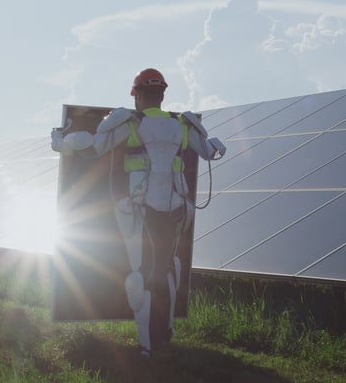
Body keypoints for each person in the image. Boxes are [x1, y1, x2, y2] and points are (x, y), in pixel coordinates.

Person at [51, 68, 226, 357]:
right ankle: (164, 333)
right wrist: (218, 143)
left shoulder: (130, 123)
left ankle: (147, 346)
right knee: (167, 267)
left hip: (138, 209)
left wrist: (61, 142)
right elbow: (210, 151)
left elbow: (93, 147)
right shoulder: (182, 125)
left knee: (140, 275)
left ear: (139, 95)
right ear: (162, 95)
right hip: (176, 208)